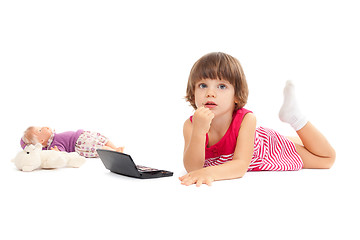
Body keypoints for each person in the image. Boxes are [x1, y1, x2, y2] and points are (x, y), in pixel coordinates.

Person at [179, 52, 336, 187]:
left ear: (236, 96)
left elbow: (240, 166)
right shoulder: (191, 125)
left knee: (326, 159)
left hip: (267, 149)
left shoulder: (247, 119)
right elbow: (193, 168)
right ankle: (291, 133)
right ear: (193, 93)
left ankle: (294, 117)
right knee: (300, 143)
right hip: (248, 140)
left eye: (221, 86)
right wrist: (199, 131)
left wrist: (210, 173)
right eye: (202, 85)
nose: (210, 93)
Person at [20, 127, 124, 158]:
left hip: (82, 135)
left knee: (101, 139)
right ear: (41, 141)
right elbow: (62, 153)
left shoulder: (53, 136)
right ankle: (114, 151)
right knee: (98, 147)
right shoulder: (53, 145)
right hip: (80, 143)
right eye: (40, 130)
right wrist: (57, 152)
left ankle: (115, 148)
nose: (44, 127)